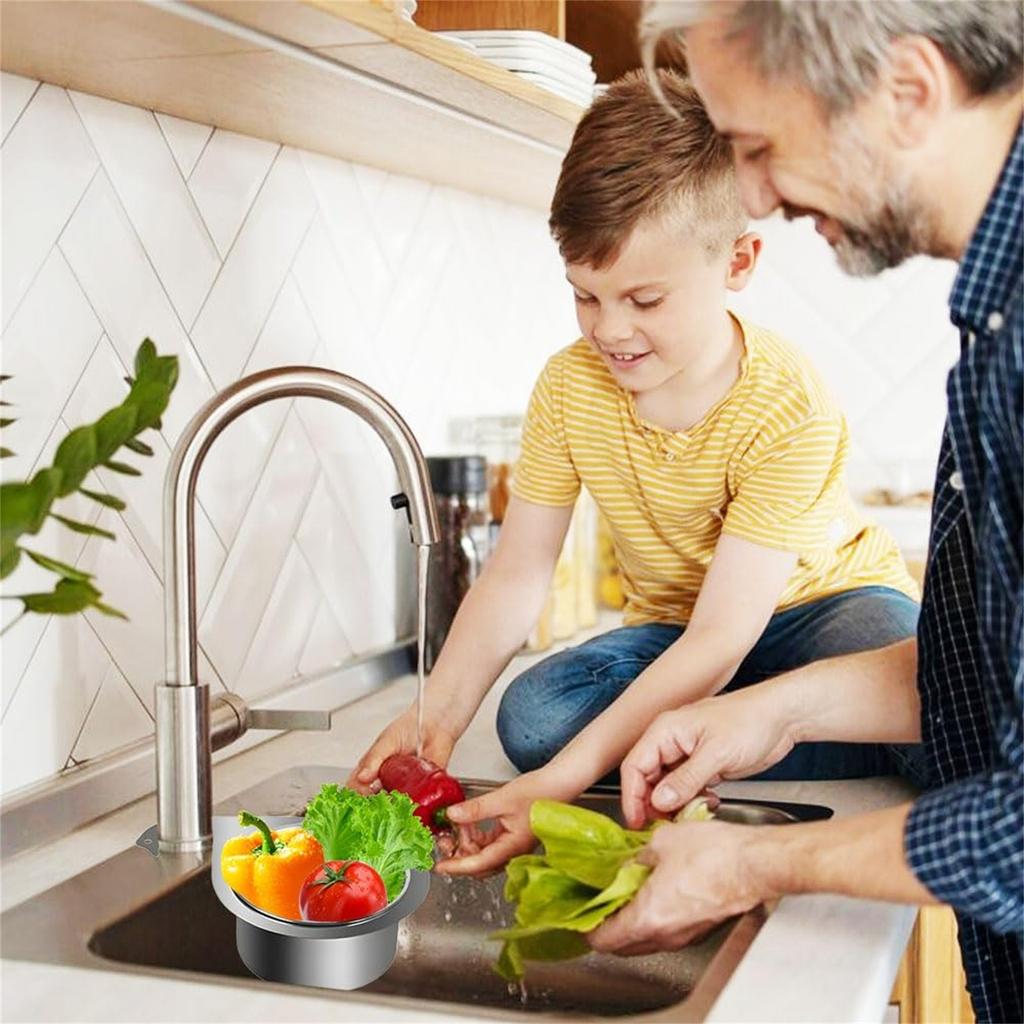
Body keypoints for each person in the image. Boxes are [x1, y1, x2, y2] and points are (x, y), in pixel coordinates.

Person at [350, 70, 922, 873]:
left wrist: (566, 781)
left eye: (645, 300)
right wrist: (433, 717)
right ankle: (733, 743)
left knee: (932, 693)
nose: (609, 330)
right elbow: (517, 577)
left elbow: (729, 636)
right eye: (586, 296)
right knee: (535, 719)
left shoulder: (786, 402)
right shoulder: (568, 386)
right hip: (680, 638)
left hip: (826, 616)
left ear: (740, 261)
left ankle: (746, 733)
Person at [587, 5, 1023, 1023]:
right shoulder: (995, 315)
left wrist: (747, 863)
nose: (749, 195)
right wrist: (770, 711)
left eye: (758, 146)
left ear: (908, 92)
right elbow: (978, 669)